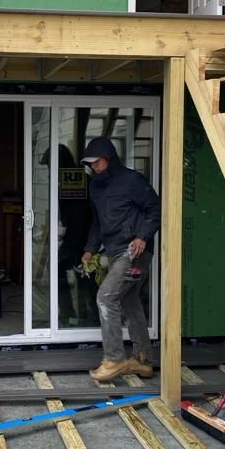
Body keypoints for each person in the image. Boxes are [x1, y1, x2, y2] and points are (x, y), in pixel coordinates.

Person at [80, 136, 161, 383]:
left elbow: (155, 209)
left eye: (97, 162)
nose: (94, 167)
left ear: (109, 157)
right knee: (129, 300)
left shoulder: (131, 181)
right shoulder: (96, 187)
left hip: (134, 251)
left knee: (105, 298)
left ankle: (114, 359)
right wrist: (90, 249)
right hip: (114, 251)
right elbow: (97, 222)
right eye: (90, 163)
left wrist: (142, 236)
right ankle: (142, 360)